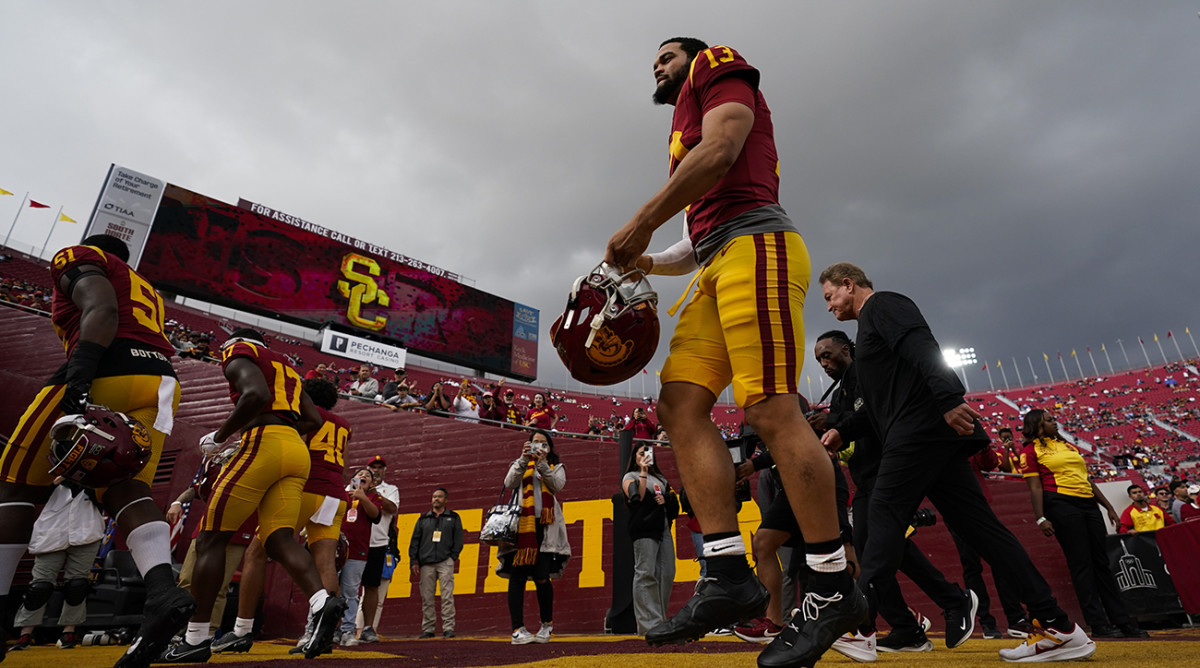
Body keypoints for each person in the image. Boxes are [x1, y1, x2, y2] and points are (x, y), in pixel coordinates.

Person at [604, 38, 864, 663]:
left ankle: (831, 587)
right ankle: (725, 573)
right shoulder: (681, 123)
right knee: (680, 406)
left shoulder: (714, 65)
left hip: (760, 247)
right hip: (720, 254)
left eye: (663, 58)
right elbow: (699, 238)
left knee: (770, 409)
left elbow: (720, 153)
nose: (657, 69)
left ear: (689, 57)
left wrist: (640, 221)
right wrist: (644, 257)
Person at [818, 262, 1097, 663]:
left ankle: (859, 627)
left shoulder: (883, 305)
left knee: (880, 518)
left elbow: (921, 344)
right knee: (982, 530)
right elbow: (883, 405)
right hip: (929, 435)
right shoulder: (867, 337)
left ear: (849, 284)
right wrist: (844, 430)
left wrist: (949, 397)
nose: (829, 307)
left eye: (830, 296)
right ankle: (1058, 625)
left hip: (919, 432)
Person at [0, 234, 195, 668]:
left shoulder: (81, 258)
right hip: (161, 383)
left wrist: (81, 375)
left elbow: (102, 308)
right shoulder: (148, 292)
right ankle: (162, 591)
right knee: (127, 487)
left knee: (14, 485)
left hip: (109, 364)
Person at [160, 329, 345, 663]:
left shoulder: (238, 351)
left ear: (235, 343)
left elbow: (256, 393)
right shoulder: (287, 367)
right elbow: (312, 418)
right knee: (279, 540)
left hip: (264, 442)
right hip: (296, 450)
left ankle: (195, 638)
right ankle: (321, 600)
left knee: (210, 540)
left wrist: (220, 437)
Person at [808, 330, 960, 660]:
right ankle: (922, 618)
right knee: (885, 550)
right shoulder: (839, 391)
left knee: (875, 551)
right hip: (866, 478)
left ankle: (873, 626)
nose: (824, 363)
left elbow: (874, 416)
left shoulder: (868, 372)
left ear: (846, 350)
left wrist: (833, 422)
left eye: (828, 355)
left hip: (888, 471)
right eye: (819, 359)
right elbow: (846, 432)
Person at [216, 377, 351, 654]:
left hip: (306, 487)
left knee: (256, 552)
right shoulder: (344, 425)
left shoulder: (304, 412)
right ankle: (320, 633)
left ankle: (242, 630)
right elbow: (345, 465)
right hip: (335, 493)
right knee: (326, 562)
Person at [1017, 409, 1147, 639]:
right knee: (1081, 565)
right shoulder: (1029, 451)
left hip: (1088, 504)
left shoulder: (1067, 446)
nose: (1054, 422)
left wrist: (1108, 507)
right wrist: (1040, 517)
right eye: (1049, 420)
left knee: (1101, 563)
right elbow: (1035, 487)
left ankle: (1123, 621)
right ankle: (1098, 623)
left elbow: (1086, 479)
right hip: (1060, 504)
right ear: (1037, 425)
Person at [7, 479, 105, 652]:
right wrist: (55, 481)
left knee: (77, 584)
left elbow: (105, 500)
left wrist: (87, 482)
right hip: (52, 532)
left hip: (86, 531)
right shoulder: (52, 474)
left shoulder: (95, 477)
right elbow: (34, 496)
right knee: (40, 585)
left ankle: (69, 631)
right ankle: (25, 632)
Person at [499, 430, 570, 644]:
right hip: (522, 527)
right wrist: (523, 459)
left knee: (542, 577)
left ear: (549, 448)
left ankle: (546, 625)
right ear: (528, 444)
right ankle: (517, 629)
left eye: (543, 443)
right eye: (535, 442)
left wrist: (541, 464)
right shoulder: (519, 463)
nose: (539, 446)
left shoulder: (556, 467)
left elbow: (557, 485)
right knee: (517, 576)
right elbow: (509, 483)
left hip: (545, 528)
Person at [622, 443, 679, 636]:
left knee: (667, 572)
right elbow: (637, 496)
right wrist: (644, 471)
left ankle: (659, 621)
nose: (645, 456)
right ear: (635, 457)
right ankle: (648, 626)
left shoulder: (661, 478)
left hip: (663, 527)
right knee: (646, 573)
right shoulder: (630, 476)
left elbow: (673, 502)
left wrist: (667, 499)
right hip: (644, 527)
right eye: (641, 453)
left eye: (648, 453)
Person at [409, 488, 464, 639]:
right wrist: (413, 561)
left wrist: (452, 557)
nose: (436, 499)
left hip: (445, 561)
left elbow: (459, 539)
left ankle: (448, 628)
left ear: (446, 500)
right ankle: (428, 629)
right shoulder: (423, 519)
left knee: (447, 596)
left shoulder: (453, 517)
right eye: (434, 496)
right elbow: (415, 541)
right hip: (426, 563)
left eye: (439, 497)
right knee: (427, 597)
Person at [336, 467, 382, 646]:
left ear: (371, 483)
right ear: (352, 478)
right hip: (336, 549)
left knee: (351, 592)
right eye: (360, 474)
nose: (363, 476)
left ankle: (348, 631)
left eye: (367, 476)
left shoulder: (373, 497)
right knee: (331, 590)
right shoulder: (342, 494)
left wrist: (363, 497)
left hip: (358, 551)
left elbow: (375, 515)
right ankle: (330, 629)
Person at [358, 455, 399, 643]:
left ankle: (368, 628)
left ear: (385, 471)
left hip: (378, 542)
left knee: (372, 586)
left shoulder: (390, 490)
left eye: (379, 467)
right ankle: (343, 628)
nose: (376, 470)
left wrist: (375, 494)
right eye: (372, 467)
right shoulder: (354, 486)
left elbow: (392, 509)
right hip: (355, 541)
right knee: (347, 587)